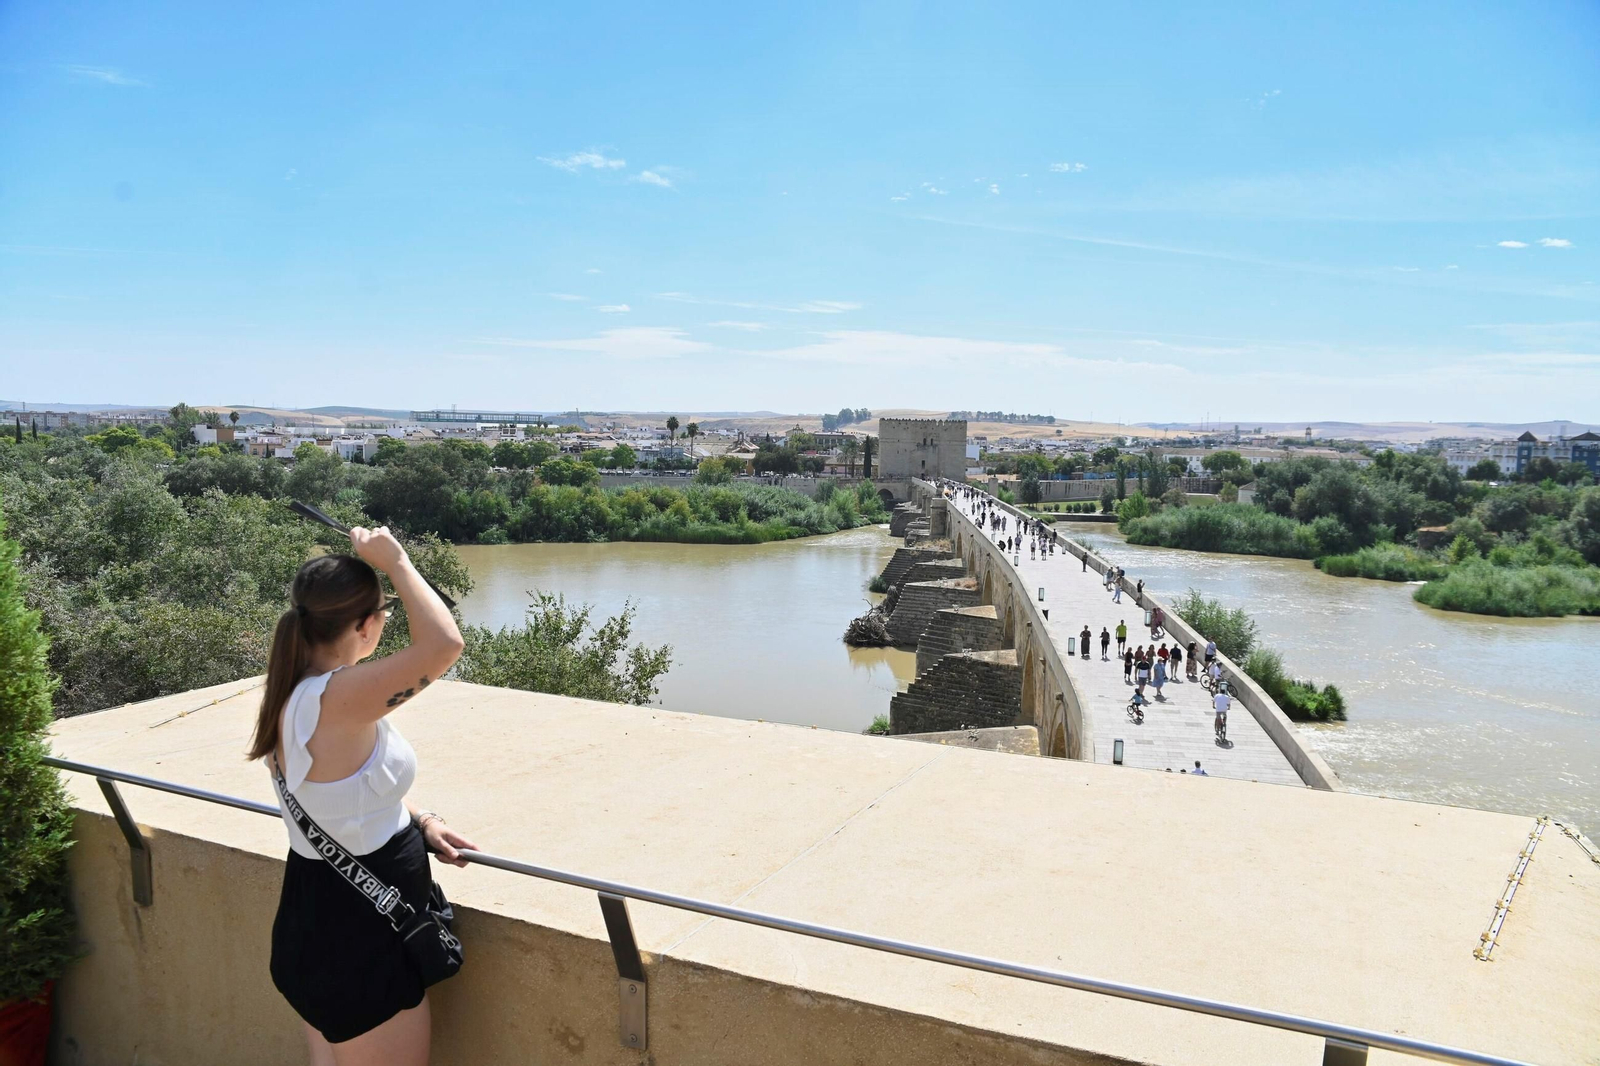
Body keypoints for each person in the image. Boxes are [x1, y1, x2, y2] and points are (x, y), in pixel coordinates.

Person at [246, 526, 476, 1064]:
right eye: (384, 617)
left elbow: (347, 790)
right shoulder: (336, 699)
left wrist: (420, 820)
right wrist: (394, 559)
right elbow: (445, 645)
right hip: (358, 939)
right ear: (366, 626)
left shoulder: (299, 690)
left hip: (320, 919)